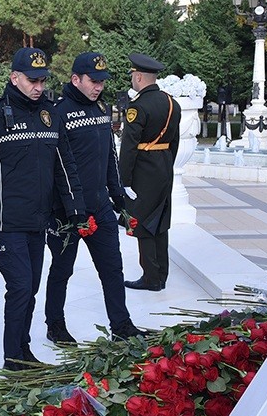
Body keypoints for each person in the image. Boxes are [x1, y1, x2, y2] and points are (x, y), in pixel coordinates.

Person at [0, 48, 86, 370]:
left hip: (38, 221)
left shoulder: (50, 114)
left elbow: (64, 165)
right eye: (32, 80)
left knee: (29, 287)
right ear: (14, 77)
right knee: (19, 287)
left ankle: (22, 348)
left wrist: (75, 207)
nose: (39, 87)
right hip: (7, 222)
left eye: (43, 80)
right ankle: (13, 357)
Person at [45, 53, 144, 342]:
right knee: (62, 269)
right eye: (93, 81)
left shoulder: (100, 109)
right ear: (76, 79)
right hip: (66, 211)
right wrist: (69, 207)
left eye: (101, 82)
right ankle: (55, 325)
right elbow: (57, 167)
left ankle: (121, 325)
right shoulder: (58, 113)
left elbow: (109, 157)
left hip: (100, 207)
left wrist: (118, 194)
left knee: (112, 268)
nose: (98, 87)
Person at [118, 53, 181, 292]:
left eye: (133, 75)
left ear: (140, 76)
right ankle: (160, 274)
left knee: (142, 222)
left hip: (144, 170)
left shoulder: (138, 106)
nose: (133, 79)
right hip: (164, 166)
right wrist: (166, 165)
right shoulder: (171, 103)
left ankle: (151, 278)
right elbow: (174, 142)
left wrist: (124, 180)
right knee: (160, 222)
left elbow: (129, 146)